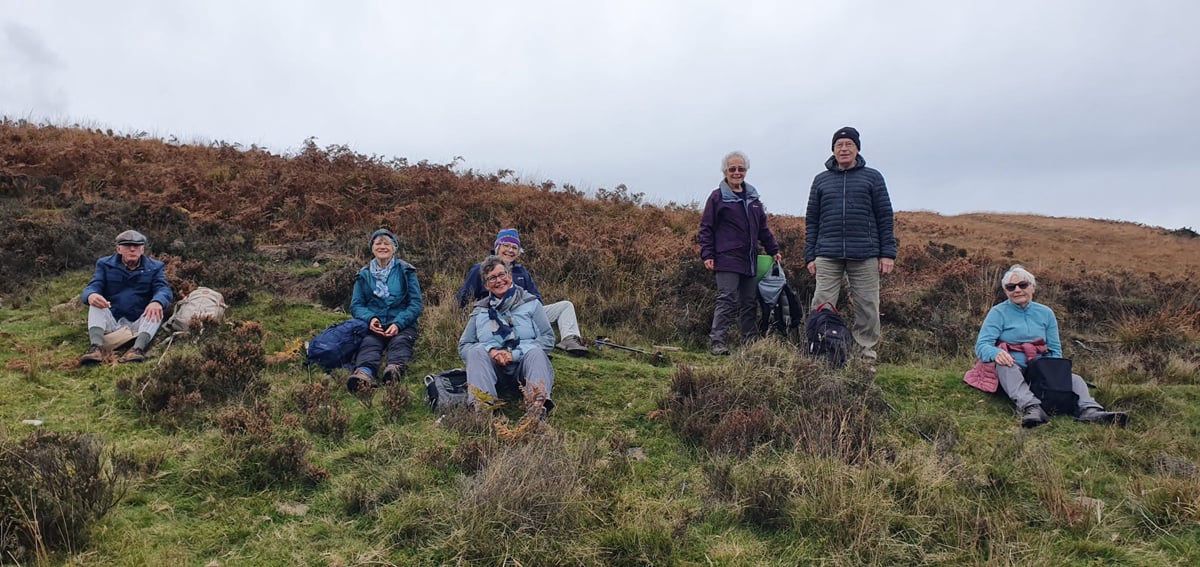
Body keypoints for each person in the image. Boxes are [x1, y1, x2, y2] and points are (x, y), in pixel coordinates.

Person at [973, 264, 1129, 428]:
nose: (1017, 290)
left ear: (1032, 287)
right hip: (1012, 366)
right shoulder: (998, 313)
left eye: (1023, 285)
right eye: (1011, 287)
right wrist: (996, 353)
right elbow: (982, 345)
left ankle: (1090, 411)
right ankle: (1031, 408)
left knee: (1075, 379)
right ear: (1006, 291)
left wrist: (1055, 374)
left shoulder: (1046, 313)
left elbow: (1055, 350)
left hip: (1040, 367)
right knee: (1006, 366)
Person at [804, 126, 896, 366]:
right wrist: (810, 255)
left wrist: (887, 253)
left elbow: (885, 216)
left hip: (865, 253)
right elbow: (812, 220)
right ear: (833, 150)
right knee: (821, 305)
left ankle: (865, 357)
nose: (844, 149)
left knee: (867, 307)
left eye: (849, 145)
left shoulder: (873, 177)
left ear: (857, 149)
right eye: (839, 145)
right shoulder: (821, 180)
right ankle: (820, 353)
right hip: (827, 253)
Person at [455, 228, 588, 356]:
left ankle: (569, 340)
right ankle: (521, 349)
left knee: (565, 306)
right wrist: (464, 316)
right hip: (495, 313)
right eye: (506, 245)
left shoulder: (521, 271)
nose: (510, 250)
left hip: (525, 312)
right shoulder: (481, 269)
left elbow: (536, 298)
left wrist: (531, 311)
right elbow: (464, 297)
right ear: (497, 247)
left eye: (514, 247)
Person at [698, 151, 781, 355]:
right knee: (726, 299)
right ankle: (718, 343)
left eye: (741, 169)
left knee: (749, 302)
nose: (737, 172)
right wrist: (707, 254)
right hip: (726, 258)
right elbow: (706, 228)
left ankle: (749, 343)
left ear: (746, 171)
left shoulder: (753, 199)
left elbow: (763, 228)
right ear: (725, 172)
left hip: (750, 259)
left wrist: (773, 249)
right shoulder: (717, 197)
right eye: (732, 169)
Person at [458, 255, 555, 417]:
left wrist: (514, 354)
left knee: (536, 353)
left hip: (524, 369)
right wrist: (491, 351)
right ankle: (483, 408)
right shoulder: (480, 310)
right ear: (486, 285)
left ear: (510, 276)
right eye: (492, 278)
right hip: (494, 372)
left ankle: (536, 407)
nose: (499, 280)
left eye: (502, 274)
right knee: (475, 351)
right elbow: (464, 345)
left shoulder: (531, 303)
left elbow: (547, 338)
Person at [80, 229, 174, 364]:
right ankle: (96, 348)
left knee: (156, 310)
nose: (132, 249)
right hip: (113, 318)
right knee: (95, 305)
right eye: (127, 246)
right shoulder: (105, 264)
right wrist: (91, 295)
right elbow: (94, 285)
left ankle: (137, 349)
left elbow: (163, 289)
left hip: (139, 321)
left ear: (142, 249)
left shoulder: (155, 267)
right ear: (118, 249)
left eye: (136, 246)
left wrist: (157, 301)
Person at [347, 229, 423, 392]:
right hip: (376, 324)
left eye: (387, 243)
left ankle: (393, 370)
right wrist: (371, 319)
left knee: (400, 342)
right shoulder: (363, 275)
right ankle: (364, 374)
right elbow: (356, 305)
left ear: (394, 248)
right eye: (378, 243)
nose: (382, 246)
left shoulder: (406, 271)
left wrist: (398, 323)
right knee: (369, 344)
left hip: (402, 323)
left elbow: (416, 303)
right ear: (372, 248)